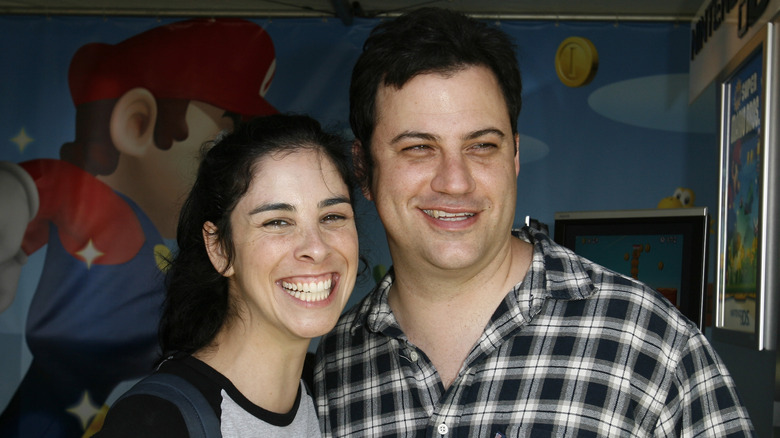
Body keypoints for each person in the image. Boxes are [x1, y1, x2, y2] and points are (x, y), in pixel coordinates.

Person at [314, 7, 755, 437]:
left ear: (516, 155)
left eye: (482, 145)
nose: (454, 181)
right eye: (418, 148)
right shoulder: (333, 366)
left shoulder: (651, 344)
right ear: (362, 168)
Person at [0, 18, 278, 437]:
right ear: (136, 123)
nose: (231, 171)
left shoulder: (180, 245)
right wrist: (13, 226)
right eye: (220, 145)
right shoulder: (95, 204)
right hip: (51, 406)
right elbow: (43, 187)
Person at [95, 114, 359, 436]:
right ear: (219, 248)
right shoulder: (152, 422)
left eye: (333, 216)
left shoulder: (342, 397)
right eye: (277, 222)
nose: (316, 248)